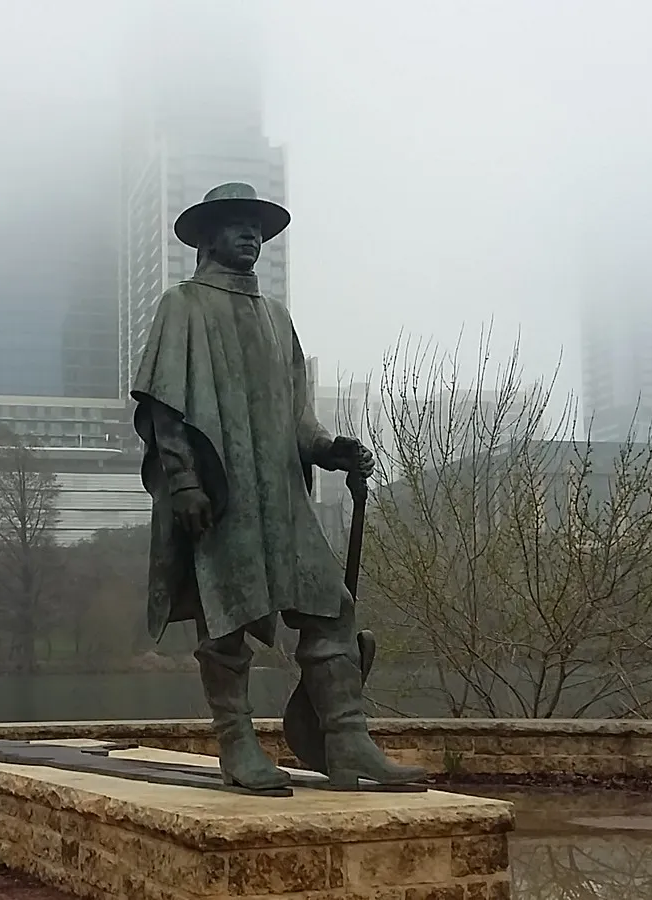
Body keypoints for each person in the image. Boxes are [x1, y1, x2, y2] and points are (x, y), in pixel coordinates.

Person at [130, 182, 425, 792]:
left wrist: (328, 448)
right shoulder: (181, 305)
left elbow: (296, 414)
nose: (251, 236)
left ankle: (348, 743)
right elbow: (164, 408)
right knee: (227, 620)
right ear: (208, 236)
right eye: (237, 225)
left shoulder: (275, 318)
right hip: (222, 496)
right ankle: (237, 743)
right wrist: (184, 482)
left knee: (332, 609)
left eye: (258, 228)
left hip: (283, 498)